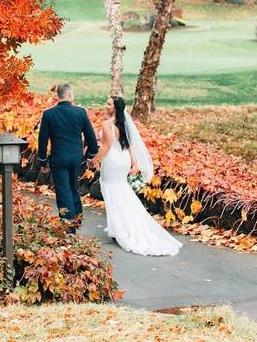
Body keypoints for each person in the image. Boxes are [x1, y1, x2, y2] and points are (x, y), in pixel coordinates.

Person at [90, 96, 181, 256]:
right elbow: (127, 144)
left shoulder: (107, 124)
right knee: (122, 191)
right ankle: (124, 224)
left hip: (112, 161)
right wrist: (134, 164)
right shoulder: (123, 124)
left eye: (109, 104)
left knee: (111, 192)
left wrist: (94, 160)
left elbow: (106, 146)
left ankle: (120, 228)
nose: (106, 105)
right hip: (123, 160)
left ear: (116, 108)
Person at [38, 83, 99, 231]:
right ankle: (77, 219)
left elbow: (43, 139)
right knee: (73, 187)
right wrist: (91, 155)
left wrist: (43, 161)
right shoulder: (80, 112)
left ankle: (68, 226)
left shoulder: (48, 114)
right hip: (76, 158)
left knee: (63, 190)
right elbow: (90, 136)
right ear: (70, 95)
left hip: (58, 157)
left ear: (58, 96)